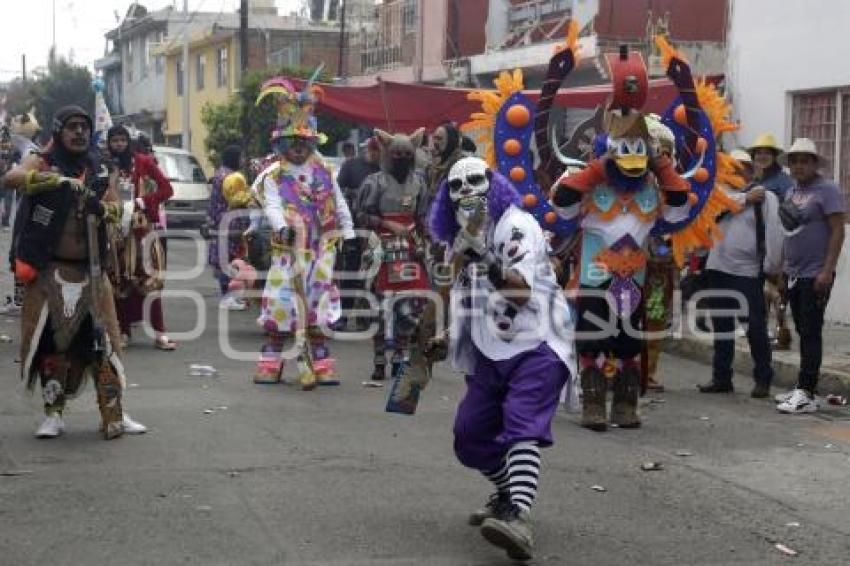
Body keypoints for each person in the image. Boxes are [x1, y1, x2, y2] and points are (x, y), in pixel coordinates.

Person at [429, 157, 575, 561]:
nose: (467, 193)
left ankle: (518, 518)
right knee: (470, 436)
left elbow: (521, 293)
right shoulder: (458, 241)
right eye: (456, 187)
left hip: (538, 343)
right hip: (490, 348)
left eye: (476, 181)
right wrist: (445, 335)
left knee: (521, 425)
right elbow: (466, 296)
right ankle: (507, 494)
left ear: (493, 186)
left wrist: (486, 258)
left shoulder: (516, 225)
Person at [2, 106, 145, 439]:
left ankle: (114, 415)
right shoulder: (43, 160)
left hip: (93, 272)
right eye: (72, 127)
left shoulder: (97, 166)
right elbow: (11, 178)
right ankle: (54, 415)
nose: (79, 133)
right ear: (59, 131)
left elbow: (117, 209)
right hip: (50, 272)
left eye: (84, 127)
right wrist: (48, 180)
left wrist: (105, 209)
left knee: (106, 345)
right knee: (51, 347)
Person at [252, 75, 355, 388]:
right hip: (288, 252)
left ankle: (319, 360)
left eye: (303, 144)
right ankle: (272, 360)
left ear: (311, 142)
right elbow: (270, 205)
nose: (298, 150)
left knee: (319, 304)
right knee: (282, 303)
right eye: (292, 144)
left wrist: (348, 233)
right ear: (282, 144)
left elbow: (339, 203)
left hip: (322, 250)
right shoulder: (273, 174)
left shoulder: (324, 171)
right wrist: (282, 227)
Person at [696, 150, 782, 397]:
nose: (736, 171)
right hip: (717, 268)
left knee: (754, 327)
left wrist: (771, 268)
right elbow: (713, 210)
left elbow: (775, 235)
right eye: (732, 167)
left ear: (751, 170)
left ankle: (763, 379)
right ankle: (721, 378)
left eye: (741, 167)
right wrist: (745, 198)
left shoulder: (766, 198)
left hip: (747, 272)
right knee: (722, 326)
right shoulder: (717, 195)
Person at [356, 128, 432, 390]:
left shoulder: (420, 182)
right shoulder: (374, 182)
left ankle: (401, 354)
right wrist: (387, 222)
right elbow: (361, 216)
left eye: (406, 153)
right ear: (387, 153)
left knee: (410, 305)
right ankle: (379, 359)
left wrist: (427, 237)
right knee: (379, 306)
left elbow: (423, 217)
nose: (401, 157)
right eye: (396, 153)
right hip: (382, 248)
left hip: (410, 248)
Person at [775, 138, 845, 414]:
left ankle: (806, 392)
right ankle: (805, 389)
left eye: (805, 160)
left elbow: (838, 230)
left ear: (815, 163)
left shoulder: (826, 190)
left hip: (815, 273)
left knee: (811, 332)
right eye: (794, 161)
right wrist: (783, 269)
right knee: (802, 330)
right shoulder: (791, 191)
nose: (799, 165)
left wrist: (827, 269)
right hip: (793, 272)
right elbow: (787, 233)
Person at [106, 125, 176, 351]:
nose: (118, 145)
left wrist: (144, 201)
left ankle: (160, 333)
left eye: (122, 140)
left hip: (143, 231)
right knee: (120, 282)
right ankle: (123, 331)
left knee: (151, 282)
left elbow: (167, 190)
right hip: (116, 232)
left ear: (128, 141)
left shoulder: (144, 162)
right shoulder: (105, 166)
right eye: (114, 141)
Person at [748, 133, 794, 349]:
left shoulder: (783, 181)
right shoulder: (756, 180)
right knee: (762, 290)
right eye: (758, 152)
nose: (762, 156)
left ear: (774, 156)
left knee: (779, 290)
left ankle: (782, 333)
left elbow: (789, 213)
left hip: (777, 242)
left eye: (767, 152)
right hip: (757, 243)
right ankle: (765, 331)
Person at [335, 137, 380, 329]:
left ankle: (366, 317)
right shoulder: (351, 166)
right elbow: (335, 191)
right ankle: (343, 316)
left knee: (373, 273)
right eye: (372, 150)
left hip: (376, 228)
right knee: (351, 271)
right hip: (353, 227)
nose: (374, 154)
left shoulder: (385, 170)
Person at [208, 145, 252, 310]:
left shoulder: (220, 173)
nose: (243, 161)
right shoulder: (233, 177)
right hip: (230, 223)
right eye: (241, 157)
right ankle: (228, 297)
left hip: (220, 221)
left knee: (225, 259)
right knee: (230, 260)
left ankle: (230, 296)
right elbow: (239, 201)